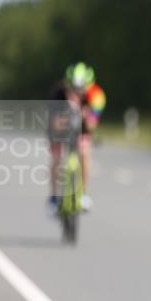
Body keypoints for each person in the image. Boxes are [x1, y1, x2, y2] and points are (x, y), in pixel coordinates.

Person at [48, 63, 106, 213]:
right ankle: (54, 197)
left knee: (84, 152)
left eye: (80, 89)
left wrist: (85, 116)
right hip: (60, 130)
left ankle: (84, 194)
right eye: (72, 88)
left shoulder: (96, 96)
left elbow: (92, 125)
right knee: (57, 158)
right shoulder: (58, 94)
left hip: (82, 129)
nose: (76, 92)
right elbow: (54, 125)